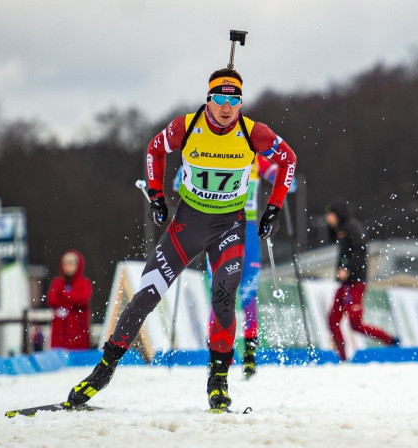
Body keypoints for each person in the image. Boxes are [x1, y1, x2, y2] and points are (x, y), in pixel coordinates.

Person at [65, 67, 296, 412]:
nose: (226, 107)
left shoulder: (253, 133)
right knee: (146, 295)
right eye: (220, 98)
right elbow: (154, 150)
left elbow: (288, 160)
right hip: (186, 226)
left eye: (234, 100)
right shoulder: (187, 127)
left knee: (223, 297)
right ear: (209, 99)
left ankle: (218, 380)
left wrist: (273, 209)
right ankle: (104, 369)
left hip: (228, 228)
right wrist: (157, 196)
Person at [174, 156, 296, 379]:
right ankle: (216, 354)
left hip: (248, 229)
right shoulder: (214, 156)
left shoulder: (257, 159)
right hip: (219, 227)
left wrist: (283, 177)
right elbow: (178, 183)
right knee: (219, 293)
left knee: (249, 291)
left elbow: (289, 181)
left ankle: (250, 354)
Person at [325, 200, 398, 361]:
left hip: (355, 283)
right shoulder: (341, 229)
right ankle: (342, 356)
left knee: (355, 323)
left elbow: (360, 249)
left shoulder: (352, 227)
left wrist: (348, 269)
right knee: (333, 320)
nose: (327, 218)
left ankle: (390, 341)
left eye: (330, 215)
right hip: (346, 284)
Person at [46, 249, 92, 350]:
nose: (69, 267)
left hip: (77, 328)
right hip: (60, 330)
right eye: (66, 264)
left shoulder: (83, 283)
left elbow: (83, 300)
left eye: (72, 264)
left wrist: (64, 297)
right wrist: (71, 300)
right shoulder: (57, 282)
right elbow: (52, 300)